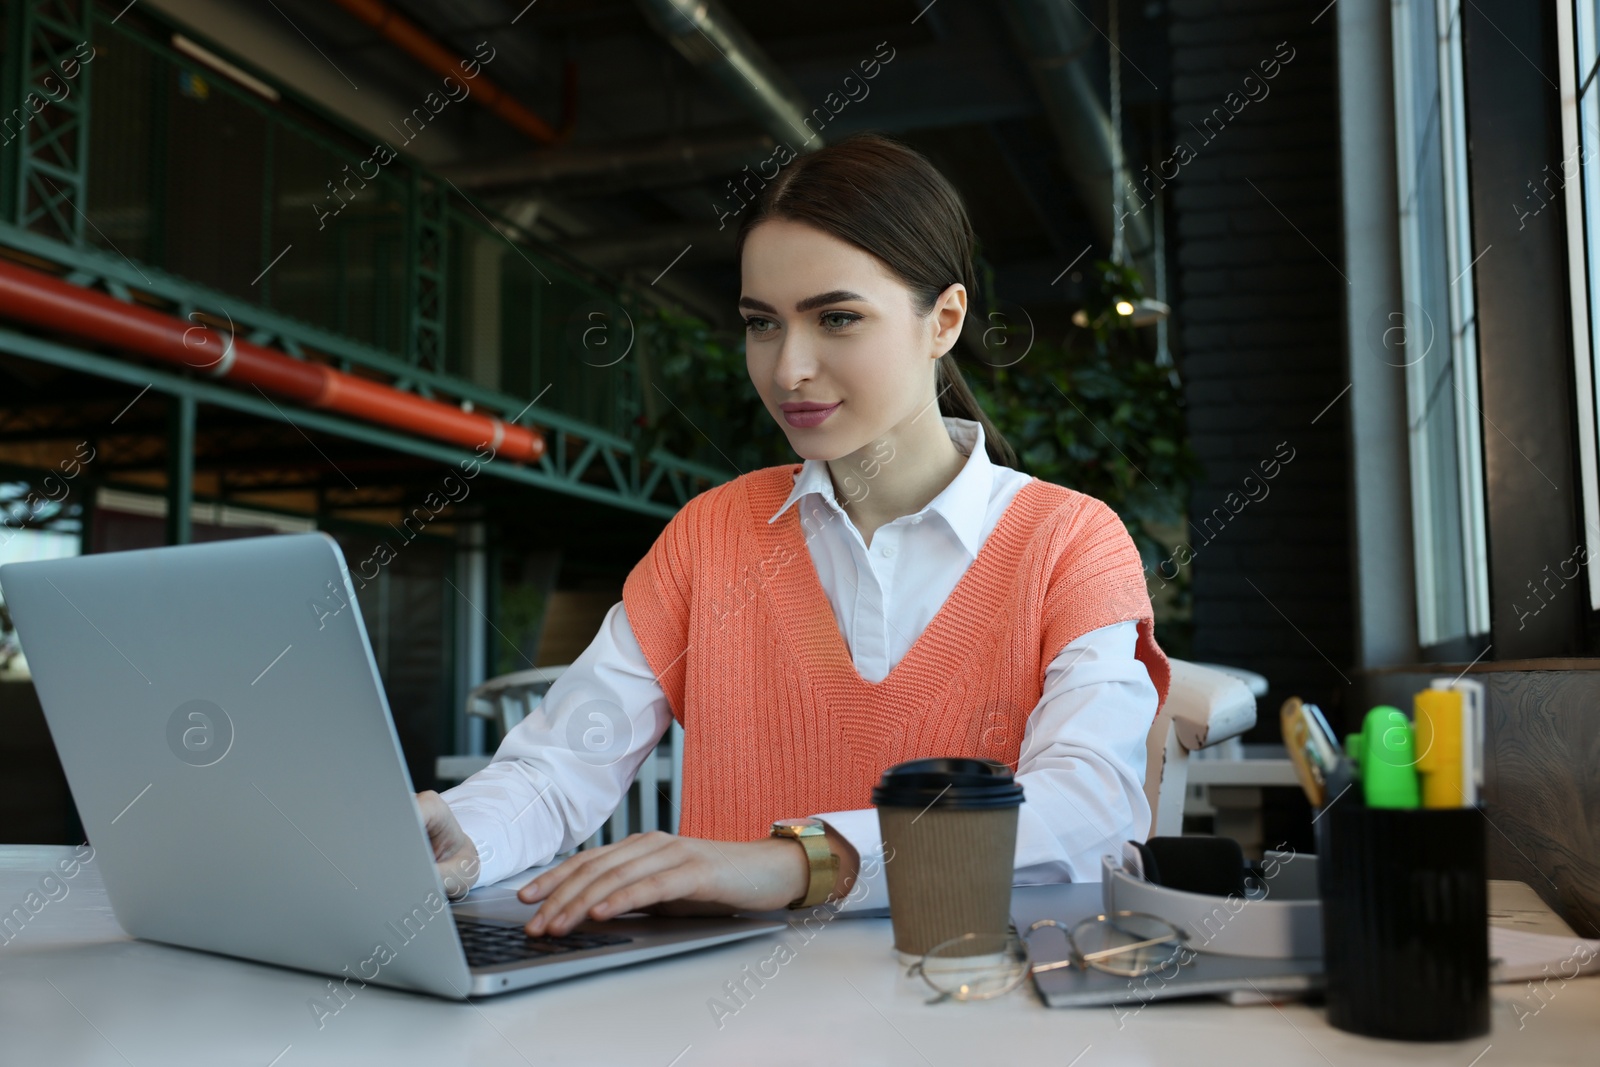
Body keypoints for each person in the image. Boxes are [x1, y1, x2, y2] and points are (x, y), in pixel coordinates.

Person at [417, 131, 1171, 938]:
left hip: (968, 1010)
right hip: (729, 1018)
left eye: (837, 318)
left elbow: (1089, 811)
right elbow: (564, 761)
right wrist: (465, 833)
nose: (787, 370)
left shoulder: (1068, 541)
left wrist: (799, 860)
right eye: (762, 324)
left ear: (944, 319)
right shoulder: (712, 536)